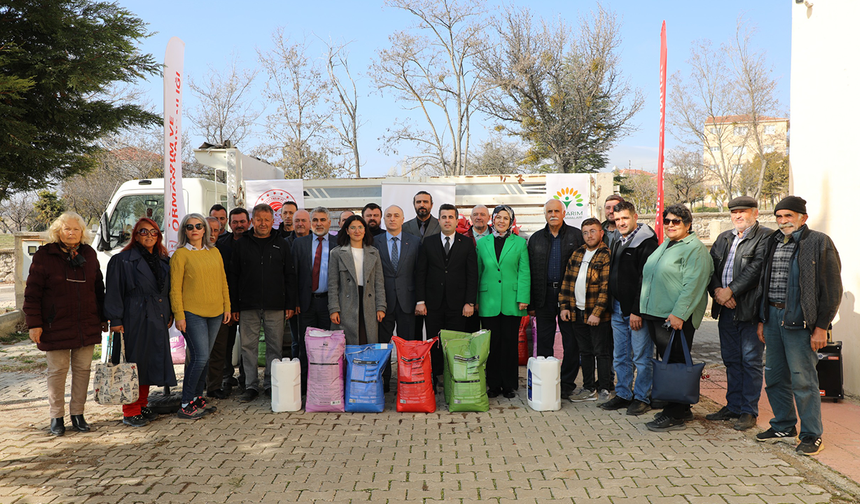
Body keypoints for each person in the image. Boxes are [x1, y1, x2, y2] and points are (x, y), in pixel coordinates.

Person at [756, 196, 842, 456]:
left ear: (802, 218)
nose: (783, 222)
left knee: (804, 381)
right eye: (779, 216)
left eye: (789, 216)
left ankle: (811, 434)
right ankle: (783, 425)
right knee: (773, 377)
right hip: (773, 319)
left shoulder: (818, 242)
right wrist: (762, 319)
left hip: (801, 324)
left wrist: (821, 327)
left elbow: (832, 288)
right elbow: (764, 281)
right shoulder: (773, 241)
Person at [24, 212, 108, 436]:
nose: (71, 233)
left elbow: (98, 289)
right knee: (57, 371)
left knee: (82, 370)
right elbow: (32, 293)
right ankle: (56, 417)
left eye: (76, 229)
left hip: (85, 323)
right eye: (66, 229)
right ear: (58, 231)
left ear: (83, 232)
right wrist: (34, 323)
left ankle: (78, 414)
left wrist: (103, 317)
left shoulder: (89, 254)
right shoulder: (45, 255)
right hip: (55, 325)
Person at [640, 203, 713, 432]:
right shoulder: (667, 244)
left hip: (674, 317)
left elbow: (693, 285)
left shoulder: (695, 249)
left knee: (676, 364)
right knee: (670, 362)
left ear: (688, 225)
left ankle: (674, 414)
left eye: (676, 221)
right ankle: (682, 408)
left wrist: (679, 314)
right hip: (657, 314)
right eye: (667, 221)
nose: (671, 225)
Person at [706, 196, 772, 431]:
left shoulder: (765, 236)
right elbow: (710, 266)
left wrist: (731, 290)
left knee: (751, 361)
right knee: (731, 360)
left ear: (755, 213)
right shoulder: (724, 237)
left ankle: (748, 411)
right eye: (734, 212)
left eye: (743, 212)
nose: (738, 216)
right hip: (725, 309)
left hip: (750, 310)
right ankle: (733, 406)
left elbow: (757, 269)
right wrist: (717, 291)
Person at [104, 218, 175, 427]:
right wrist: (115, 319)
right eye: (144, 231)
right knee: (132, 364)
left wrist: (168, 312)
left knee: (148, 363)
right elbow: (114, 292)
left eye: (154, 232)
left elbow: (166, 290)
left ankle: (142, 404)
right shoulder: (122, 260)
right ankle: (130, 410)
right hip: (133, 318)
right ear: (135, 235)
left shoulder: (162, 259)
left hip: (156, 316)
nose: (149, 235)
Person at [230, 204, 297, 403]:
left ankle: (270, 384)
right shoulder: (242, 244)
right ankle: (251, 386)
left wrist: (290, 304)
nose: (263, 223)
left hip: (276, 305)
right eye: (259, 219)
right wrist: (234, 306)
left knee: (274, 347)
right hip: (247, 305)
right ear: (252, 221)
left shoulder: (282, 243)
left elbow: (290, 275)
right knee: (248, 347)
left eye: (267, 220)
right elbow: (233, 277)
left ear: (272, 221)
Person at [600, 201, 659, 416]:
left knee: (641, 357)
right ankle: (624, 394)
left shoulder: (647, 243)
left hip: (636, 311)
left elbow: (647, 280)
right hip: (617, 308)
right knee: (621, 356)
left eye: (625, 218)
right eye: (617, 219)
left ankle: (642, 397)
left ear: (635, 216)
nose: (621, 222)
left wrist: (637, 310)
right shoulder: (618, 239)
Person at [170, 213, 231, 419]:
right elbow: (175, 289)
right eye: (190, 227)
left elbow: (223, 281)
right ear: (184, 231)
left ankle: (196, 399)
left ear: (205, 229)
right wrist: (179, 315)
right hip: (192, 313)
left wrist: (227, 307)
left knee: (204, 358)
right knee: (200, 357)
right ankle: (186, 402)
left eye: (198, 226)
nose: (194, 229)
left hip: (215, 313)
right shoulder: (180, 255)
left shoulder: (214, 252)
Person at [527, 199, 584, 398]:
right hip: (544, 297)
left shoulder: (576, 236)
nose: (553, 214)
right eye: (549, 211)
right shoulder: (535, 239)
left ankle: (567, 384)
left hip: (568, 298)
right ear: (545, 214)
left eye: (556, 211)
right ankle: (546, 380)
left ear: (563, 213)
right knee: (544, 341)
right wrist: (532, 304)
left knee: (571, 342)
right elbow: (530, 273)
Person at [416, 203, 478, 386]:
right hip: (433, 304)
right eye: (444, 217)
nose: (447, 220)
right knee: (435, 342)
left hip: (458, 305)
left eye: (451, 217)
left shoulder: (466, 243)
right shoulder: (428, 242)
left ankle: (454, 377)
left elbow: (472, 274)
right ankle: (434, 377)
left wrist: (470, 302)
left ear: (457, 220)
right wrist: (420, 301)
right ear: (439, 220)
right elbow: (421, 273)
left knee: (456, 343)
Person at [476, 205, 530, 398]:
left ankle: (509, 385)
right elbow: (478, 272)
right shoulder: (482, 244)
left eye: (505, 218)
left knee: (509, 344)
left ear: (511, 221)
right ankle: (493, 385)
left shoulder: (520, 243)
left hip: (512, 302)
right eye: (498, 217)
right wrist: (475, 300)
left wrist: (523, 298)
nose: (501, 221)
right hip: (488, 301)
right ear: (493, 220)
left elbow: (524, 272)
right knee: (492, 345)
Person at [559, 218, 612, 402]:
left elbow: (606, 288)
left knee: (601, 351)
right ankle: (589, 388)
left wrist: (596, 313)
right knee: (585, 352)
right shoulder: (577, 253)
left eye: (593, 231)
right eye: (585, 232)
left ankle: (605, 387)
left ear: (601, 232)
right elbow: (567, 282)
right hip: (577, 312)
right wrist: (564, 307)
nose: (589, 235)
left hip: (597, 315)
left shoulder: (605, 254)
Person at [374, 205, 420, 391]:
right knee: (383, 345)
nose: (392, 219)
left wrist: (420, 300)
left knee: (407, 345)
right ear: (384, 220)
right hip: (383, 302)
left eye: (396, 216)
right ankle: (383, 382)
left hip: (407, 302)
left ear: (403, 219)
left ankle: (406, 381)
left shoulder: (415, 242)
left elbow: (419, 272)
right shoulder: (374, 242)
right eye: (388, 216)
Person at [293, 207, 337, 392]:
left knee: (328, 346)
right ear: (311, 223)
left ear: (329, 222)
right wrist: (294, 302)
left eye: (323, 219)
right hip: (305, 303)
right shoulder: (299, 244)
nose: (319, 223)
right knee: (306, 346)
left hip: (329, 303)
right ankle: (305, 387)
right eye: (316, 220)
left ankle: (326, 384)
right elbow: (293, 275)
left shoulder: (338, 242)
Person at [328, 215, 387, 345]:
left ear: (365, 230)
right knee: (348, 345)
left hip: (368, 303)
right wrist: (334, 309)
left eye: (360, 227)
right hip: (346, 304)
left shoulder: (374, 252)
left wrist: (381, 307)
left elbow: (379, 282)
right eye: (353, 228)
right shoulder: (336, 253)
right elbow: (333, 285)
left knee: (367, 341)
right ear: (347, 231)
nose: (357, 231)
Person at [211, 208, 249, 394]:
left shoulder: (253, 242)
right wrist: (230, 305)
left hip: (249, 302)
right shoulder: (221, 245)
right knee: (225, 344)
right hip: (226, 303)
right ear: (229, 224)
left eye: (242, 221)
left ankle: (245, 378)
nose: (239, 225)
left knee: (247, 344)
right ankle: (226, 377)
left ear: (248, 223)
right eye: (235, 222)